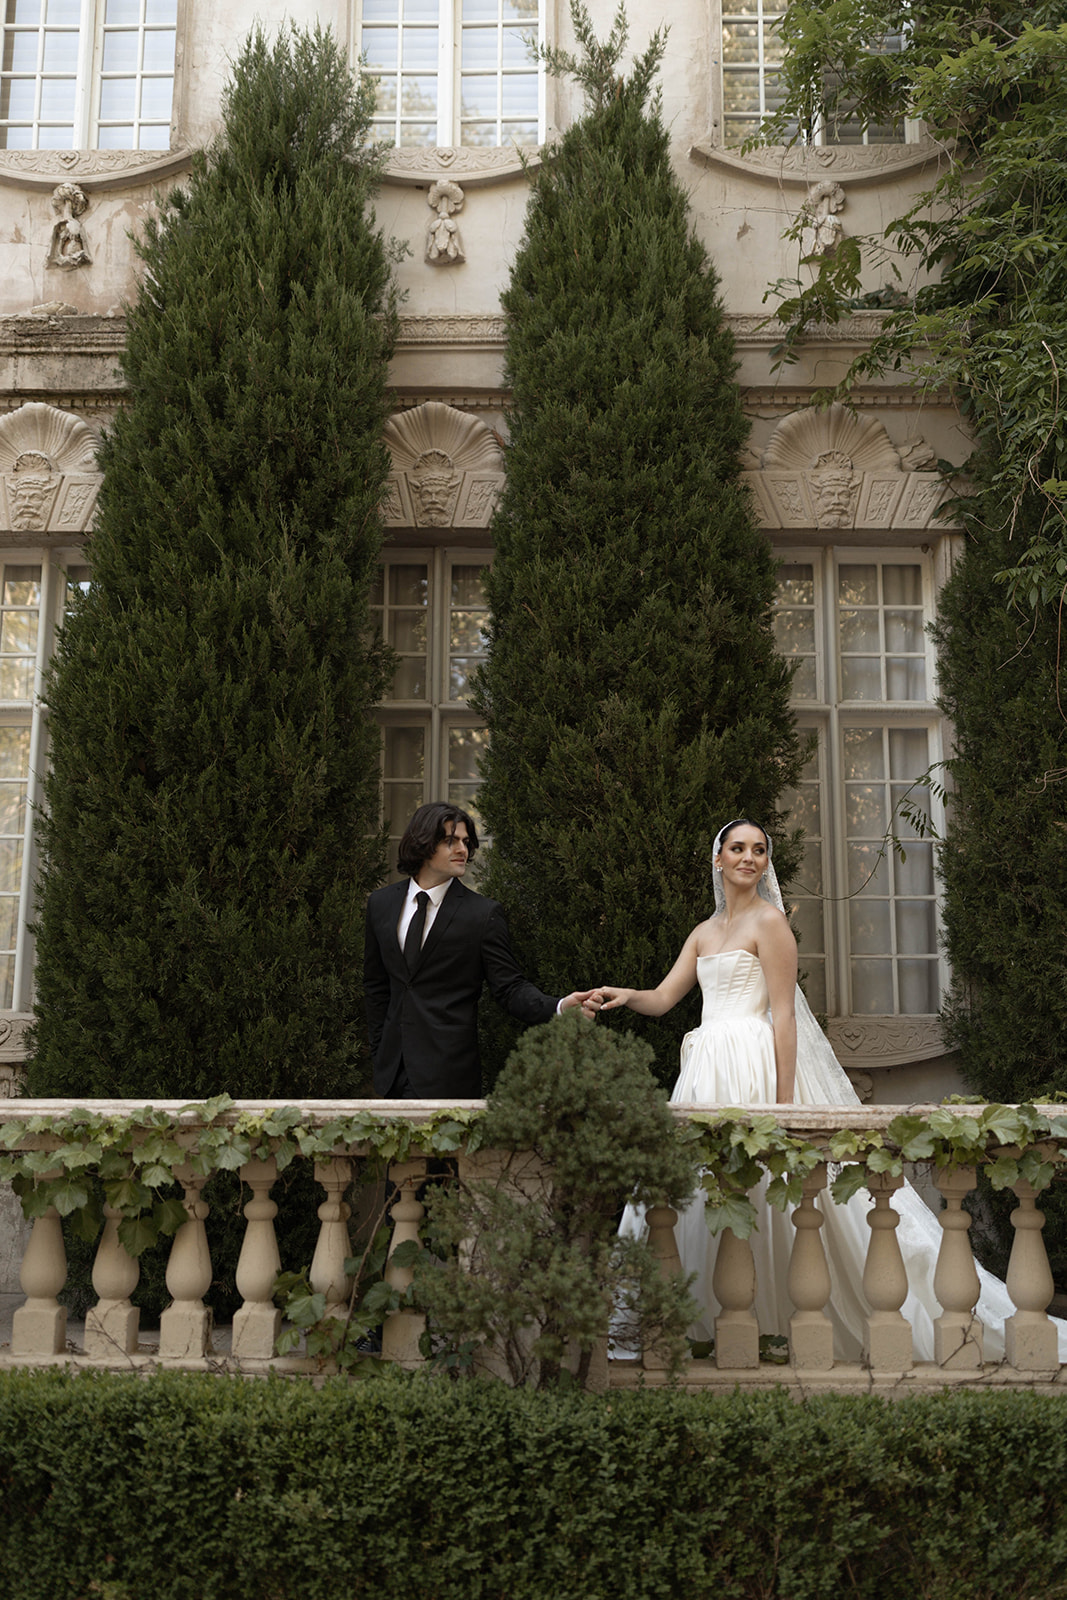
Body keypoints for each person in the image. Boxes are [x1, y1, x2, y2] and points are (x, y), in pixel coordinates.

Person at [595, 818, 1067, 1363]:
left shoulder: (770, 923)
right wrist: (623, 994)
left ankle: (777, 1324)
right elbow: (662, 998)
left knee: (764, 1191)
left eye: (759, 850)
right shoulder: (704, 931)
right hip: (708, 1072)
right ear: (717, 859)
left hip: (753, 1065)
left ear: (766, 863)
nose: (749, 857)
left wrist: (783, 1103)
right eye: (737, 848)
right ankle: (709, 1327)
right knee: (703, 1190)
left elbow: (783, 1018)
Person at [364, 800, 595, 1099]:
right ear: (422, 844)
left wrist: (559, 1007)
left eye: (465, 841)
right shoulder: (381, 904)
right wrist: (380, 1049)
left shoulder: (482, 915)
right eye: (450, 841)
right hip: (390, 1075)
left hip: (448, 1077)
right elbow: (376, 985)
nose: (462, 849)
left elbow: (510, 988)